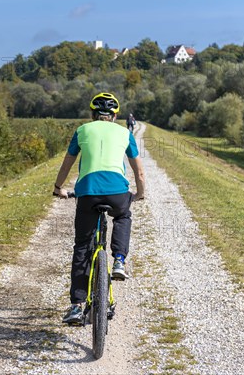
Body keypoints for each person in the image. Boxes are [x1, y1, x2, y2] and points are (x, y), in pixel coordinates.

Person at [53, 92, 146, 324]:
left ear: (93, 114)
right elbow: (139, 171)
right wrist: (139, 194)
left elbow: (68, 163)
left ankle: (76, 305)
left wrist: (58, 187)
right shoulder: (125, 133)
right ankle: (119, 260)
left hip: (87, 193)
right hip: (117, 192)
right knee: (123, 215)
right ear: (115, 116)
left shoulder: (82, 130)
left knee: (82, 247)